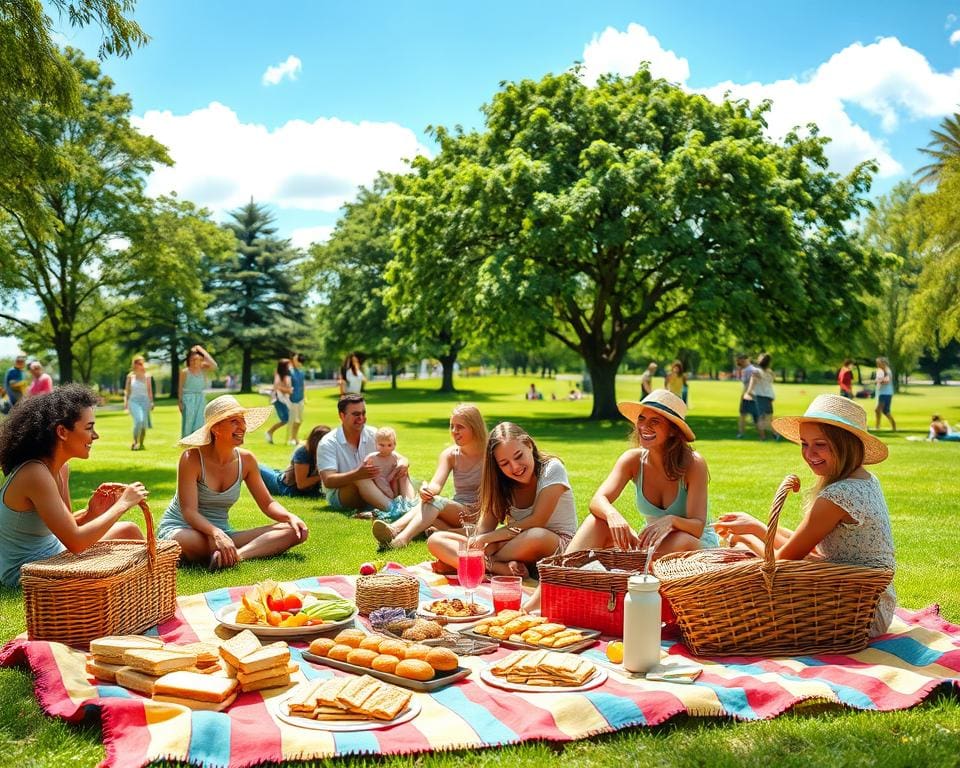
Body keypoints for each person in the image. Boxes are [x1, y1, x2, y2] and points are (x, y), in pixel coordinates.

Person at [715, 394, 896, 637]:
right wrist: (754, 525)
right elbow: (802, 546)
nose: (809, 453)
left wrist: (748, 538)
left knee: (751, 593)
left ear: (845, 444)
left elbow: (779, 563)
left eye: (820, 444)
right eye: (804, 443)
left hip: (857, 613)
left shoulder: (837, 496)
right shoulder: (864, 479)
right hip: (872, 601)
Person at [0, 384, 146, 587]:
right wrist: (123, 504)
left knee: (129, 530)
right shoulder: (34, 473)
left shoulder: (61, 468)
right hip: (27, 571)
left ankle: (149, 590)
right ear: (62, 431)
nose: (95, 436)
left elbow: (67, 528)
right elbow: (76, 542)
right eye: (89, 427)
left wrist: (90, 513)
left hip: (55, 554)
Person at [157, 395, 308, 570]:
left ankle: (237, 556)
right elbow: (189, 511)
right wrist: (216, 534)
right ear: (216, 428)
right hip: (183, 528)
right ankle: (225, 551)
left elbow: (268, 503)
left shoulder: (247, 460)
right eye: (234, 421)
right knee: (184, 541)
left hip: (224, 535)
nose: (242, 427)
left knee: (295, 531)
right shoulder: (191, 458)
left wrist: (290, 516)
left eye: (242, 420)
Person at [427, 422, 578, 577]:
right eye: (504, 463)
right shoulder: (501, 484)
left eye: (518, 456)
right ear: (497, 466)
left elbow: (537, 520)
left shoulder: (552, 468)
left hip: (555, 546)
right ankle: (496, 567)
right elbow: (482, 531)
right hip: (514, 549)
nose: (515, 467)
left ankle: (473, 563)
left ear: (529, 445)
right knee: (436, 539)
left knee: (535, 535)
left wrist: (488, 540)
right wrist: (481, 540)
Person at [372, 404, 487, 550]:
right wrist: (426, 490)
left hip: (476, 515)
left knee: (434, 504)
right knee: (428, 505)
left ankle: (400, 538)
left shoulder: (489, 453)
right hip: (456, 513)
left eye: (460, 427)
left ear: (474, 426)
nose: (454, 431)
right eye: (452, 426)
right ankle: (398, 530)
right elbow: (436, 486)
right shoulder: (450, 454)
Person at [317, 393, 414, 519]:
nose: (361, 418)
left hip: (377, 488)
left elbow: (399, 458)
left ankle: (412, 507)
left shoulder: (373, 433)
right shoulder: (328, 442)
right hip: (342, 494)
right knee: (361, 478)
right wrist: (357, 474)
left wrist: (404, 463)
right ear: (342, 416)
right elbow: (328, 481)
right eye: (356, 414)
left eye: (363, 413)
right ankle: (394, 511)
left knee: (400, 469)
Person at [259, 424, 331, 496]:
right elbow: (302, 484)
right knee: (258, 467)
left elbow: (301, 484)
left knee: (259, 467)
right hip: (287, 485)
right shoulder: (304, 452)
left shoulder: (306, 452)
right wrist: (324, 476)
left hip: (290, 489)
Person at [179, 344, 217, 438]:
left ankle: (198, 446)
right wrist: (180, 402)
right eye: (192, 359)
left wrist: (201, 349)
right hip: (188, 399)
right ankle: (187, 446)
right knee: (188, 423)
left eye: (198, 359)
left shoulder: (203, 370)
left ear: (201, 360)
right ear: (189, 360)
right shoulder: (185, 372)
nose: (195, 362)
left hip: (200, 399)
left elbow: (214, 365)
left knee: (200, 423)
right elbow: (180, 387)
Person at [363, 426, 408, 504]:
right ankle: (390, 504)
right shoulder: (372, 457)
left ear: (394, 445)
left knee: (400, 475)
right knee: (381, 482)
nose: (386, 448)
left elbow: (403, 462)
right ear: (376, 444)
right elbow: (364, 470)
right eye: (382, 445)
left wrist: (394, 472)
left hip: (392, 480)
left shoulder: (394, 456)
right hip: (379, 482)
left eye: (389, 445)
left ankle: (401, 500)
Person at [123, 355, 154, 451]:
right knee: (139, 421)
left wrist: (151, 402)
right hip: (134, 401)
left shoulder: (147, 376)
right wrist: (126, 405)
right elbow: (127, 392)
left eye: (142, 363)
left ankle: (141, 444)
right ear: (135, 364)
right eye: (139, 363)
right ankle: (135, 442)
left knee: (144, 425)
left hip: (145, 401)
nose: (141, 365)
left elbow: (149, 390)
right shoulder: (130, 377)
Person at [746, 352, 776, 440]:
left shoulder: (756, 372)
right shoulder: (770, 373)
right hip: (769, 396)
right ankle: (774, 434)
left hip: (760, 396)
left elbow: (751, 386)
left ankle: (762, 437)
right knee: (769, 417)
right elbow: (772, 380)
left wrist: (748, 393)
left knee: (760, 417)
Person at [264, 358, 293, 444]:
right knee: (285, 419)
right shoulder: (279, 375)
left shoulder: (287, 375)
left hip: (284, 399)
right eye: (288, 365)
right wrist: (288, 390)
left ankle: (291, 438)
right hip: (278, 399)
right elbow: (277, 387)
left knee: (288, 419)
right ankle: (269, 432)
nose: (290, 366)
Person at [736, 354, 760, 438]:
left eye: (740, 360)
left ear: (746, 360)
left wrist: (744, 395)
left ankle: (741, 433)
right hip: (754, 395)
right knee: (756, 416)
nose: (739, 363)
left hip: (748, 395)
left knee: (743, 415)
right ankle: (762, 434)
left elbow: (748, 385)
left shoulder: (749, 370)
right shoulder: (752, 369)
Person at [287, 353, 307, 445]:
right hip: (292, 400)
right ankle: (291, 439)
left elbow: (303, 385)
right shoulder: (290, 372)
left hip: (300, 399)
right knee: (294, 420)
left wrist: (304, 397)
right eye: (295, 359)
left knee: (300, 420)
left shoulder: (302, 372)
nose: (297, 361)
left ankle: (295, 437)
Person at [874, 357, 897, 431]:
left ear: (883, 363)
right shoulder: (880, 370)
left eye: (879, 363)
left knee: (878, 410)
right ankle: (892, 425)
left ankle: (878, 427)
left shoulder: (887, 371)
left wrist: (879, 381)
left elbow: (887, 380)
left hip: (886, 393)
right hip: (882, 393)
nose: (878, 364)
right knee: (884, 410)